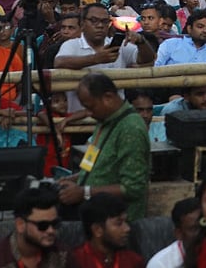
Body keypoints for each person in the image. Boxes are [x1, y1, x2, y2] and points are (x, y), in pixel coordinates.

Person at [56, 72, 150, 222]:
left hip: (118, 224)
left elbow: (133, 188)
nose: (88, 113)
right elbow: (90, 165)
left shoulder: (131, 128)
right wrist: (72, 180)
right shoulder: (103, 122)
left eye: (90, 107)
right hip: (96, 219)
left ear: (108, 98)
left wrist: (84, 192)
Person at [0, 186, 67, 268]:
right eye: (43, 225)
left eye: (55, 224)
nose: (51, 230)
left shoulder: (62, 255)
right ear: (20, 225)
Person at [66, 193, 145, 268]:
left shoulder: (134, 261)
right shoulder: (74, 261)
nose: (127, 228)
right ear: (97, 230)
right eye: (119, 223)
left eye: (126, 222)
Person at [145, 198, 202, 268]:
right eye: (194, 229)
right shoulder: (161, 264)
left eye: (205, 227)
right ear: (179, 234)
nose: (202, 233)